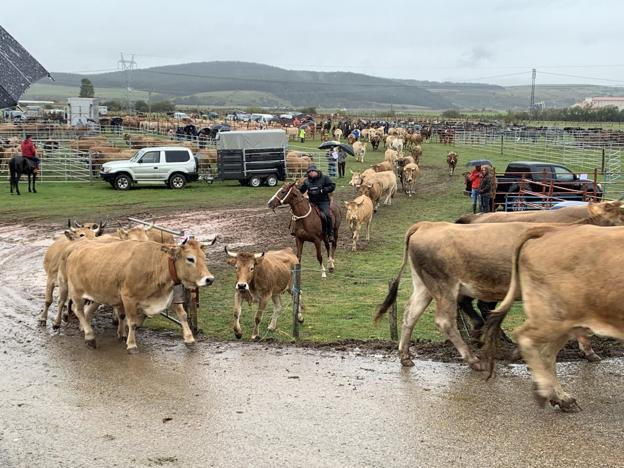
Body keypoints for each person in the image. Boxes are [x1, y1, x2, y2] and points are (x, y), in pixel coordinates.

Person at [298, 165, 336, 241]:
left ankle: (330, 233)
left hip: (323, 201)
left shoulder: (325, 178)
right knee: (299, 213)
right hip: (311, 202)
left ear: (316, 171)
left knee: (327, 215)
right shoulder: (306, 181)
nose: (311, 173)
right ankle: (296, 230)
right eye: (309, 172)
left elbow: (332, 186)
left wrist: (324, 190)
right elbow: (301, 190)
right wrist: (295, 189)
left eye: (312, 171)